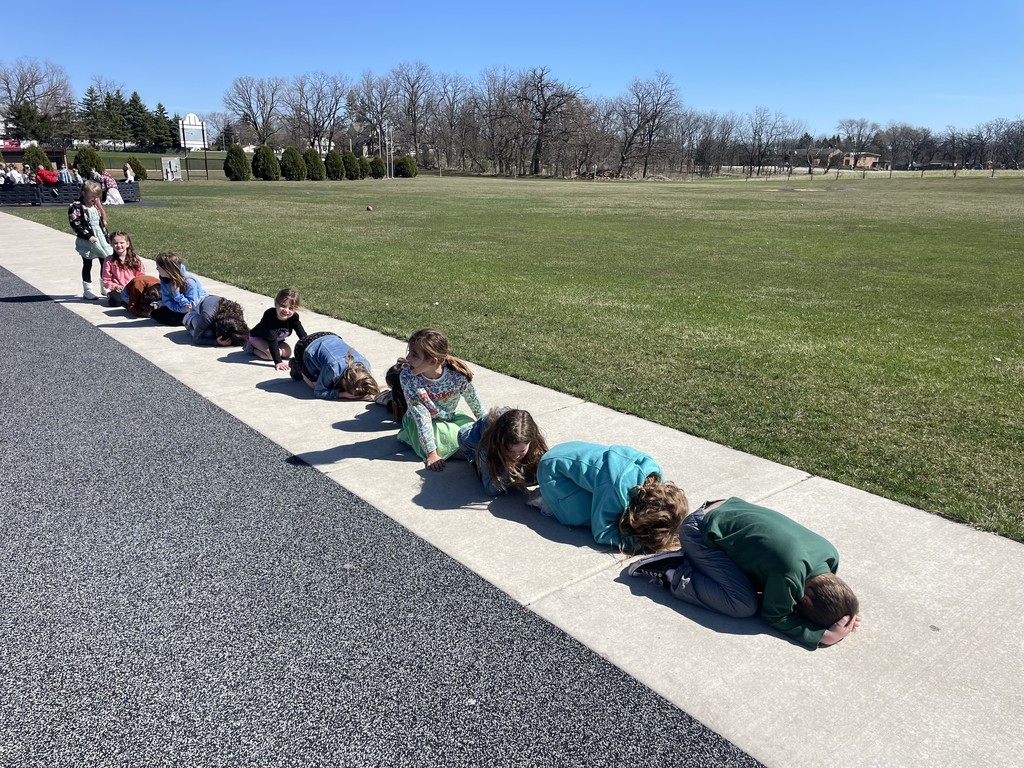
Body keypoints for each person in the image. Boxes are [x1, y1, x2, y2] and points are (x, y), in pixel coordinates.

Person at [627, 497, 862, 650]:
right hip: (698, 531)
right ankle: (674, 570)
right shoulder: (790, 574)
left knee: (756, 583)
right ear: (807, 600)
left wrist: (846, 611)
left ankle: (694, 564)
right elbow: (775, 616)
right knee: (743, 604)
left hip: (724, 506)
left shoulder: (830, 555)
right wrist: (821, 636)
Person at [534, 441, 688, 552]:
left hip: (566, 450)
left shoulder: (654, 474)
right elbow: (602, 533)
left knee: (606, 505)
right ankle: (547, 502)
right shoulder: (616, 490)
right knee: (597, 517)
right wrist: (643, 543)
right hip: (553, 475)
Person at [396, 328, 485, 472]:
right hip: (420, 422)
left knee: (474, 434)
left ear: (433, 361)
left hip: (452, 417)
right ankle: (483, 457)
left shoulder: (456, 376)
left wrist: (488, 428)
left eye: (414, 355)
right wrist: (432, 453)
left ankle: (488, 453)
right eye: (409, 352)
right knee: (449, 439)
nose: (408, 358)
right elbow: (421, 415)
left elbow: (476, 404)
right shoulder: (408, 377)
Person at [458, 407, 549, 496]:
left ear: (531, 442)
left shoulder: (529, 436)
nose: (516, 456)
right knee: (504, 475)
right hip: (469, 442)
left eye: (522, 451)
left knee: (532, 476)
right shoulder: (487, 446)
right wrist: (509, 467)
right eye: (511, 451)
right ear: (501, 444)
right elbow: (490, 489)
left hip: (498, 424)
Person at [288, 331, 379, 400]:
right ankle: (297, 366)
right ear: (345, 381)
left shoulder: (365, 365)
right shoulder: (333, 368)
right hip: (304, 345)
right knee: (315, 385)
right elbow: (319, 391)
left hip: (330, 336)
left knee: (328, 380)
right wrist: (342, 394)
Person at [67, 180, 113, 300]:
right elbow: (75, 224)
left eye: (96, 196)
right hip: (87, 240)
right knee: (87, 263)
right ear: (83, 193)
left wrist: (106, 236)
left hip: (100, 238)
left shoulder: (95, 206)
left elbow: (100, 224)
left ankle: (105, 286)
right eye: (92, 196)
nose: (95, 199)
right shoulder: (76, 206)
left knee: (105, 262)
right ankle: (87, 290)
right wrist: (88, 236)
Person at [244, 288, 307, 371]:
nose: (286, 310)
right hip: (258, 338)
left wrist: (309, 346)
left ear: (295, 309)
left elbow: (302, 335)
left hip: (277, 340)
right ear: (276, 304)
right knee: (271, 356)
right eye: (283, 306)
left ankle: (275, 349)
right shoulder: (270, 316)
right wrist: (278, 362)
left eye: (291, 308)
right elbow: (271, 339)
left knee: (287, 353)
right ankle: (251, 349)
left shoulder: (294, 317)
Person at [150, 252, 206, 326]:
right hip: (178, 307)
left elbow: (190, 307)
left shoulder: (189, 282)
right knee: (155, 313)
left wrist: (177, 295)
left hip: (194, 310)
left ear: (166, 269)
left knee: (173, 318)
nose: (156, 269)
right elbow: (166, 300)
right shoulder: (164, 280)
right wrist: (175, 308)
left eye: (158, 267)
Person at [183, 295, 249, 346]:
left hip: (210, 304)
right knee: (208, 334)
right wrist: (216, 342)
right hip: (193, 313)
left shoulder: (237, 312)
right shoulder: (207, 317)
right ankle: (189, 325)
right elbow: (197, 339)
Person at [101, 231, 146, 307]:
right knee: (115, 301)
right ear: (111, 244)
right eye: (115, 243)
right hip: (119, 290)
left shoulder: (135, 259)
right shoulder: (109, 260)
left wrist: (136, 286)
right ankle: (115, 297)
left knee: (145, 297)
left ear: (127, 244)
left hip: (132, 288)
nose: (119, 245)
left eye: (122, 243)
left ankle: (129, 301)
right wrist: (115, 286)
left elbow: (141, 276)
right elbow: (106, 279)